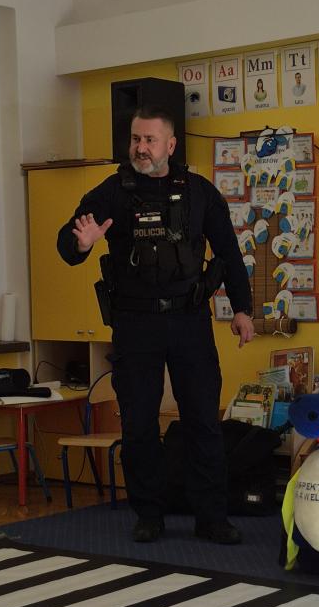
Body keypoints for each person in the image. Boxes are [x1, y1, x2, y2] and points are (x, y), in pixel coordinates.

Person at [57, 106, 255, 544]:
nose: (140, 148)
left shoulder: (200, 193)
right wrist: (81, 244)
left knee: (203, 420)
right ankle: (149, 514)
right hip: (135, 323)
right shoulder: (111, 192)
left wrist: (242, 309)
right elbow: (66, 245)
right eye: (135, 139)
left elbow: (229, 253)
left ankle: (211, 517)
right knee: (139, 422)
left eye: (149, 140)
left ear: (170, 145)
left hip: (189, 321)